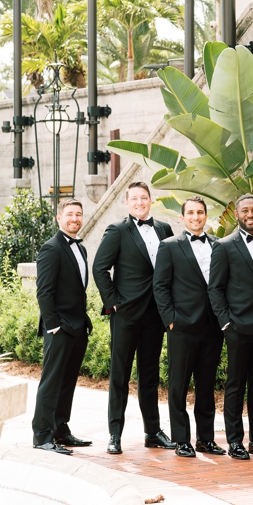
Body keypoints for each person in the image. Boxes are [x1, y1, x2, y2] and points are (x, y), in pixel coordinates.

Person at [91, 181, 173, 455]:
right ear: (127, 203)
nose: (140, 202)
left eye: (144, 198)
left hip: (155, 315)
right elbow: (100, 268)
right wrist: (113, 303)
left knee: (150, 376)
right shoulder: (117, 230)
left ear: (151, 200)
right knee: (119, 376)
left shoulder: (164, 229)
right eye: (134, 198)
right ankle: (115, 435)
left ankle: (153, 432)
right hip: (126, 315)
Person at [152, 197, 224, 460]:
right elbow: (160, 286)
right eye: (191, 213)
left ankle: (206, 439)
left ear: (206, 216)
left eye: (200, 212)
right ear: (182, 218)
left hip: (213, 326)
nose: (196, 217)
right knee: (178, 386)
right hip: (181, 326)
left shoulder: (219, 245)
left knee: (206, 385)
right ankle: (181, 439)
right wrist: (170, 319)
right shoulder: (170, 246)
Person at [207, 193, 253, 460]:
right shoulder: (224, 246)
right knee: (235, 385)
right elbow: (215, 288)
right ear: (237, 214)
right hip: (237, 327)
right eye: (245, 210)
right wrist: (226, 323)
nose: (250, 214)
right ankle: (235, 440)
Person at [33, 197, 94, 455]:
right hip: (59, 329)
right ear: (59, 218)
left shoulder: (80, 249)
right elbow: (43, 292)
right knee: (51, 382)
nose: (75, 219)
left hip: (78, 328)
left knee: (67, 382)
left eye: (78, 214)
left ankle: (60, 429)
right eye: (69, 214)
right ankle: (42, 435)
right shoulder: (51, 248)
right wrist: (54, 326)